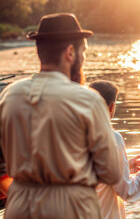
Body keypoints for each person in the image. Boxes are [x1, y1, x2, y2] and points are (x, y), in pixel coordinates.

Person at [0, 13, 122, 219]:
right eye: (83, 51)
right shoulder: (89, 100)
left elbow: (1, 169)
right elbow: (111, 173)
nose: (83, 58)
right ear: (70, 52)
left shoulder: (9, 95)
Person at [89, 80, 140, 219]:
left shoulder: (75, 135)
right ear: (111, 107)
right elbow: (128, 191)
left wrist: (126, 168)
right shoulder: (113, 139)